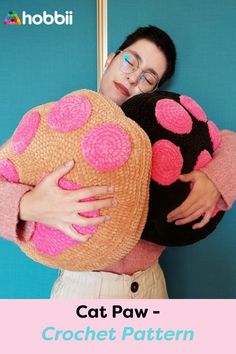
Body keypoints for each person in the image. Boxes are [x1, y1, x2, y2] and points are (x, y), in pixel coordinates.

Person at [0, 26, 235, 298]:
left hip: (150, 286)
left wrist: (216, 179)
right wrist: (28, 205)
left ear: (154, 90)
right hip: (83, 290)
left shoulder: (159, 130)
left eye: (148, 77)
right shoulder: (58, 121)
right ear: (111, 59)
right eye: (130, 60)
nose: (134, 76)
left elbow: (230, 142)